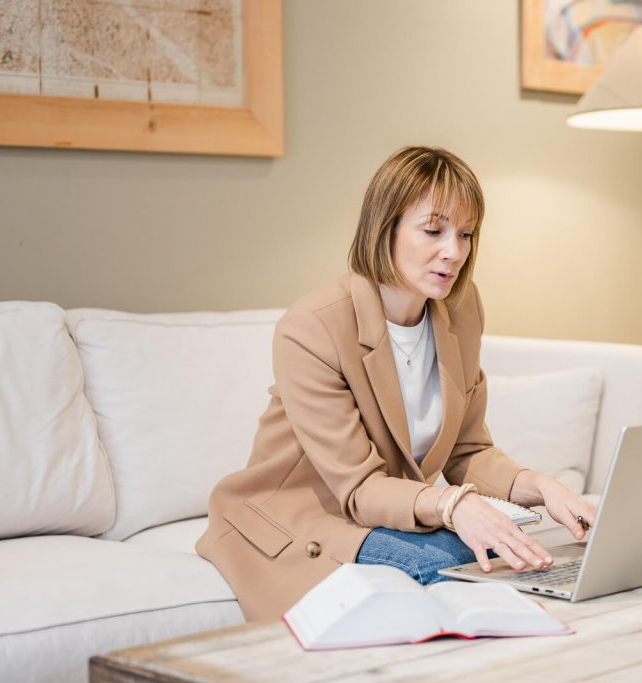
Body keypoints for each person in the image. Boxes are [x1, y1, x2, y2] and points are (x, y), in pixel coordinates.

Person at [197, 146, 597, 621]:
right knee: (462, 566)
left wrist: (540, 487)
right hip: (299, 517)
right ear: (384, 227)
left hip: (390, 511)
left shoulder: (461, 309)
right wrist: (454, 506)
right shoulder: (312, 327)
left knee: (533, 558)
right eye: (433, 230)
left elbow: (466, 451)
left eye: (466, 234)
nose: (454, 251)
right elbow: (360, 488)